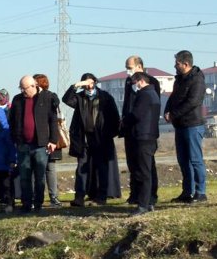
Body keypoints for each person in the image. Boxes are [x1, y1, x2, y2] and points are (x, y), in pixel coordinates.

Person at [62, 72, 122, 206]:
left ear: (95, 82)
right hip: (84, 139)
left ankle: (101, 197)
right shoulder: (79, 98)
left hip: (101, 138)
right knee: (81, 168)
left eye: (91, 82)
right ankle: (79, 197)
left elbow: (114, 117)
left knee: (102, 168)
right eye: (86, 83)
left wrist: (109, 134)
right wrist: (77, 85)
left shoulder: (105, 97)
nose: (89, 86)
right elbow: (66, 99)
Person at [8, 75, 58, 213]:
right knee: (24, 177)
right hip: (23, 144)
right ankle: (26, 205)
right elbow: (12, 121)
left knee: (40, 177)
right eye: (21, 88)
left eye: (25, 88)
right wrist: (15, 139)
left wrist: (53, 140)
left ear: (34, 86)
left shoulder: (45, 98)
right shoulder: (17, 100)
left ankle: (38, 205)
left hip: (40, 145)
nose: (23, 91)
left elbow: (53, 120)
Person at [164, 50, 207, 204]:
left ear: (186, 64)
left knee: (195, 160)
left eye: (177, 63)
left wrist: (174, 114)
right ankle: (187, 192)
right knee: (183, 160)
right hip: (180, 125)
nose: (175, 66)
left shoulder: (197, 79)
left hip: (193, 125)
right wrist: (167, 111)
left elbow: (193, 102)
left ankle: (201, 192)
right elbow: (173, 97)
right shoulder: (179, 80)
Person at [120, 56, 160, 206]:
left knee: (146, 165)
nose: (128, 71)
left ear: (139, 67)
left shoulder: (150, 83)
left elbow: (149, 109)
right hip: (131, 128)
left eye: (130, 67)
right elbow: (127, 103)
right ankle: (135, 194)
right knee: (133, 163)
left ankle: (150, 196)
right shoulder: (128, 82)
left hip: (145, 129)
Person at [34, 74, 63, 207]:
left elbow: (56, 105)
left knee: (50, 168)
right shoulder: (30, 99)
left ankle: (54, 197)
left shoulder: (50, 96)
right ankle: (38, 197)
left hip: (50, 138)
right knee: (37, 170)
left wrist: (53, 139)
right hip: (37, 140)